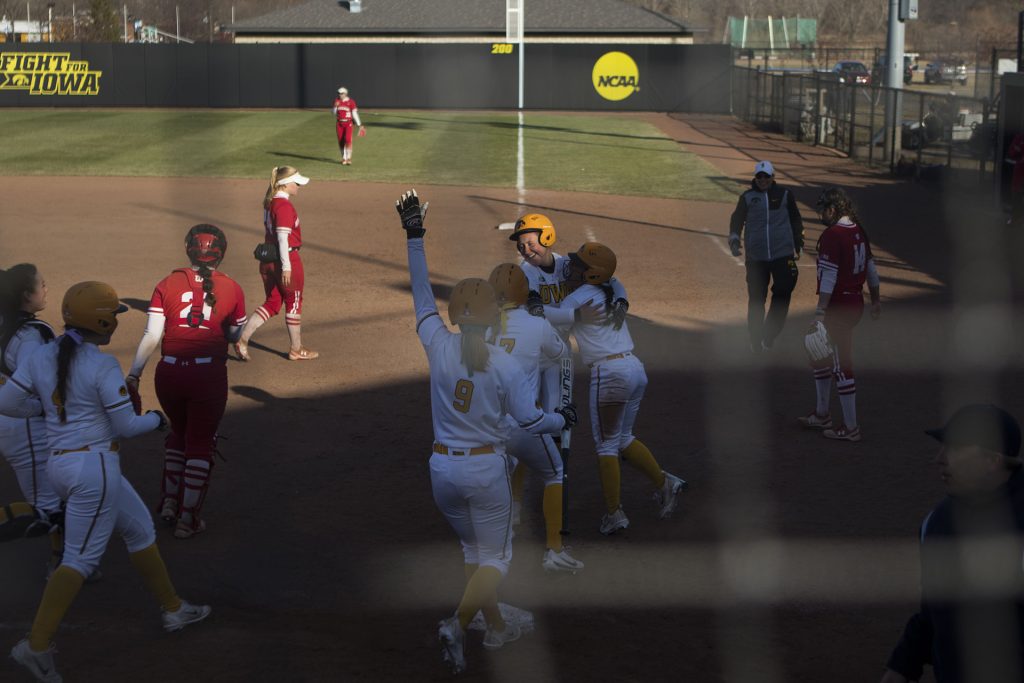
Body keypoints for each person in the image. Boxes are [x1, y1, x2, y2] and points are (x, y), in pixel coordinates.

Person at [396, 190, 576, 674]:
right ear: (494, 312)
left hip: (440, 472)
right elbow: (531, 420)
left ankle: (494, 626)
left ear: (453, 313)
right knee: (496, 560)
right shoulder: (502, 364)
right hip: (484, 470)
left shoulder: (436, 342)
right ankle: (458, 622)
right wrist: (563, 419)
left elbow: (418, 292)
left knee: (475, 554)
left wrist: (415, 236)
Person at [0, 281, 211, 683]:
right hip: (93, 471)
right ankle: (36, 646)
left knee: (138, 528)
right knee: (78, 560)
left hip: (62, 468)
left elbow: (7, 402)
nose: (115, 319)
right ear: (99, 321)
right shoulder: (100, 366)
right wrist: (156, 420)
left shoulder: (44, 354)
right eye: (113, 314)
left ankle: (173, 608)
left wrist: (46, 411)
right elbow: (126, 426)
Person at [880, 404, 1024, 683]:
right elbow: (933, 613)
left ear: (992, 460)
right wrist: (897, 671)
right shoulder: (937, 524)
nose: (939, 459)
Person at [556, 242, 687, 535]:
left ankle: (614, 513)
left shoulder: (578, 299)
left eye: (579, 265)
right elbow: (618, 282)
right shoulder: (611, 290)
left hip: (609, 373)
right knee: (623, 438)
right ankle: (665, 482)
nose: (572, 267)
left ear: (592, 273)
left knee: (606, 444)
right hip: (633, 369)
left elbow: (551, 324)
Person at [127, 225, 247, 539]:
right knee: (200, 443)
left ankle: (169, 502)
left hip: (168, 374)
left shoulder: (166, 283)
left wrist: (134, 374)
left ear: (187, 249)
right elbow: (235, 335)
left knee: (179, 435)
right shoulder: (233, 288)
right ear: (222, 252)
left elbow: (152, 335)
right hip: (206, 377)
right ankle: (188, 518)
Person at [487, 262, 584, 574]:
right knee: (555, 471)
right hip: (524, 423)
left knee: (500, 474)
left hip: (489, 425)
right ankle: (554, 550)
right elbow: (560, 354)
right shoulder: (536, 325)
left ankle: (496, 545)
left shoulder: (487, 329)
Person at [797, 187, 880, 442]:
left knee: (840, 364)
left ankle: (851, 427)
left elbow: (830, 277)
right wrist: (875, 300)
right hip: (855, 303)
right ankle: (822, 413)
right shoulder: (858, 231)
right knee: (818, 352)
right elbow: (871, 269)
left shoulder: (833, 235)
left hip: (839, 308)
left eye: (823, 209)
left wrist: (820, 312)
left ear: (834, 209)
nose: (820, 214)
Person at [0, 264, 62, 564]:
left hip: (10, 418)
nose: (46, 289)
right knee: (48, 503)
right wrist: (42, 408)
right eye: (42, 284)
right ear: (26, 295)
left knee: (54, 496)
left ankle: (66, 561)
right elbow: (31, 383)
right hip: (23, 423)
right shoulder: (30, 336)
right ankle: (64, 565)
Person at [235, 166, 318, 362]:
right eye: (295, 182)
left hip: (267, 261)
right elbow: (282, 239)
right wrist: (287, 266)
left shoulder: (270, 203)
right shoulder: (284, 207)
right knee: (294, 301)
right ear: (284, 184)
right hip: (285, 259)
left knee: (272, 302)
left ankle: (242, 340)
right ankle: (296, 349)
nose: (298, 185)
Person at [728, 160, 805, 352]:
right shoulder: (747, 197)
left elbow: (796, 218)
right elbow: (737, 219)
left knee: (783, 293)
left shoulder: (785, 195)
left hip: (782, 254)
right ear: (755, 178)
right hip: (756, 258)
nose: (763, 180)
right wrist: (734, 240)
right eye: (759, 176)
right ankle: (755, 339)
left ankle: (769, 334)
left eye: (766, 176)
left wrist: (799, 243)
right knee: (756, 300)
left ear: (773, 177)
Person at [332, 87, 365, 165]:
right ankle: (344, 158)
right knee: (341, 141)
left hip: (348, 123)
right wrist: (335, 107)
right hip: (339, 124)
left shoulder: (351, 102)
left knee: (348, 139)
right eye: (339, 93)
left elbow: (354, 114)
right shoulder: (336, 101)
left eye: (342, 93)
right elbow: (333, 113)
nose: (340, 95)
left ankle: (349, 158)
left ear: (346, 93)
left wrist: (359, 124)